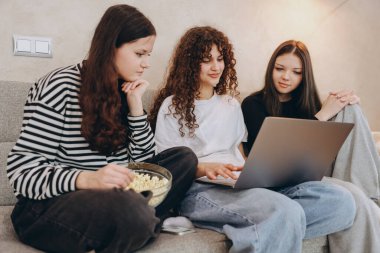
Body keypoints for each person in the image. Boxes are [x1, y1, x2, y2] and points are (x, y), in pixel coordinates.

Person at [7, 4, 197, 253]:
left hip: (117, 198)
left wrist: (136, 107)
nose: (147, 63)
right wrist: (88, 178)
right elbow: (22, 171)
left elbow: (144, 164)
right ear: (111, 48)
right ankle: (145, 223)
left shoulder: (126, 89)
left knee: (184, 159)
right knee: (131, 209)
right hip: (53, 203)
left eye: (148, 54)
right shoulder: (58, 87)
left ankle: (134, 224)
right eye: (140, 54)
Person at [150, 26, 356, 253]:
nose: (216, 66)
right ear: (189, 63)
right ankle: (270, 224)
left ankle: (259, 229)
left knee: (341, 202)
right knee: (285, 211)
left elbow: (240, 152)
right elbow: (169, 166)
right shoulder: (172, 106)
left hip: (238, 184)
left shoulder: (230, 104)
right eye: (206, 60)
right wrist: (207, 168)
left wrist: (258, 172)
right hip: (199, 190)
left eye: (220, 59)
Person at [241, 40, 380, 253]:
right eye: (280, 69)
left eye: (296, 72)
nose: (286, 77)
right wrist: (323, 115)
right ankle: (368, 194)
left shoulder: (308, 104)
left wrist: (344, 102)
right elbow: (277, 155)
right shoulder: (253, 104)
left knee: (350, 108)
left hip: (313, 173)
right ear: (271, 69)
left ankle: (370, 191)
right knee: (357, 198)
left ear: (304, 76)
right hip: (276, 181)